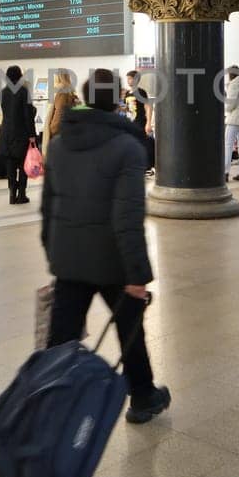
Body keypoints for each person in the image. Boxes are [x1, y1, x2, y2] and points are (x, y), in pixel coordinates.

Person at [42, 68, 170, 424]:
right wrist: (137, 273)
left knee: (62, 337)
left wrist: (53, 253)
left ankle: (49, 401)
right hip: (113, 261)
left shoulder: (62, 142)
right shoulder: (127, 146)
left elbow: (48, 205)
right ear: (117, 99)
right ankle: (143, 396)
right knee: (129, 330)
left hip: (69, 257)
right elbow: (127, 216)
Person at [0, 65, 35, 205]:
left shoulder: (4, 92)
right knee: (22, 165)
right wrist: (32, 134)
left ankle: (12, 195)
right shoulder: (23, 92)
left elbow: (5, 112)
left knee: (10, 165)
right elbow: (28, 116)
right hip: (21, 134)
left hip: (7, 133)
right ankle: (22, 194)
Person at [46, 69, 78, 144]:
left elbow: (59, 113)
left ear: (59, 78)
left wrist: (51, 130)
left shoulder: (62, 93)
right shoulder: (71, 92)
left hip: (59, 133)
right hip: (69, 130)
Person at [123, 70, 150, 136]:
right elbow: (127, 108)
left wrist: (148, 123)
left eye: (130, 78)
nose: (128, 80)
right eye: (127, 79)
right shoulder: (127, 93)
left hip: (139, 122)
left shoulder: (141, 92)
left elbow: (148, 107)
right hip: (130, 122)